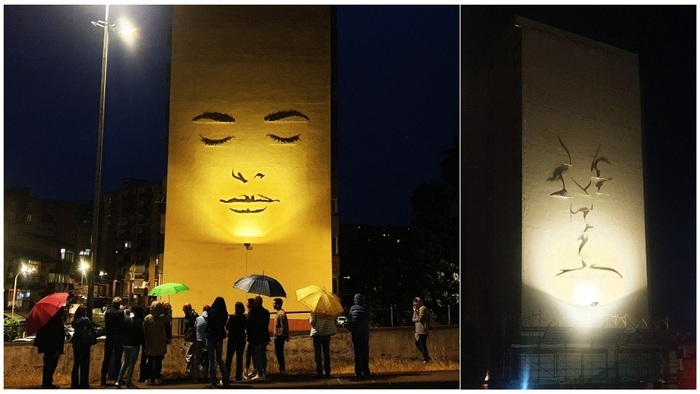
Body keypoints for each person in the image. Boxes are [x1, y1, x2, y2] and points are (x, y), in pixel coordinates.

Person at [33, 306, 67, 389]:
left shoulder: (47, 321)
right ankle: (48, 382)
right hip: (53, 347)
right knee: (51, 365)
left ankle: (46, 382)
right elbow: (59, 337)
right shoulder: (57, 322)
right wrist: (58, 349)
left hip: (48, 347)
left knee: (47, 364)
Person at [116, 305, 145, 389]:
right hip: (134, 345)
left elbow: (123, 330)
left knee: (125, 363)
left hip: (126, 344)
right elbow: (141, 334)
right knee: (131, 364)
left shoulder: (127, 319)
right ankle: (128, 383)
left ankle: (118, 381)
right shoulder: (140, 321)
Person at [206, 296, 231, 388]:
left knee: (211, 360)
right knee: (220, 359)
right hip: (219, 336)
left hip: (211, 336)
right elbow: (224, 324)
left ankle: (213, 382)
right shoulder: (224, 313)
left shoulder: (211, 312)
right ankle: (226, 380)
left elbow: (208, 324)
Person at [101, 296, 125, 386]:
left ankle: (103, 378)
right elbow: (123, 325)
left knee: (106, 358)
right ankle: (117, 379)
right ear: (119, 304)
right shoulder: (120, 313)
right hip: (118, 338)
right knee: (117, 359)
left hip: (109, 337)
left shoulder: (107, 313)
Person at [143, 301, 168, 385]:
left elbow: (144, 331)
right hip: (160, 343)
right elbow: (169, 318)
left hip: (150, 342)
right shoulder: (162, 318)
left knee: (149, 361)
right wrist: (168, 310)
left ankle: (149, 378)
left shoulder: (147, 318)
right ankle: (157, 377)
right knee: (158, 361)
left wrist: (146, 340)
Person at [246, 295, 271, 381]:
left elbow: (249, 324)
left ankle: (259, 373)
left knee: (257, 356)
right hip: (264, 335)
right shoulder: (266, 312)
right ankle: (263, 371)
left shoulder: (253, 312)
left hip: (256, 337)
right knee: (263, 355)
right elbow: (266, 323)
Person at [347, 293, 371, 377]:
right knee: (365, 351)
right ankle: (366, 370)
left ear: (354, 300)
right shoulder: (365, 309)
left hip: (355, 332)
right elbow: (368, 319)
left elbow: (349, 320)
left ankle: (358, 371)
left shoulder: (352, 309)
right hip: (364, 332)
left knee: (357, 352)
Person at [70, 305, 94, 388]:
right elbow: (92, 329)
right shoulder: (86, 320)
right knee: (84, 363)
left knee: (76, 363)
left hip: (76, 343)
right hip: (84, 343)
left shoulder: (74, 321)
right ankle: (84, 383)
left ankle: (74, 383)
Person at [309, 311, 336, 378]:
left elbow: (312, 322)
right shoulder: (329, 309)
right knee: (326, 353)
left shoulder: (314, 310)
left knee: (318, 353)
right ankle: (327, 371)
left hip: (317, 333)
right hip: (327, 333)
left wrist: (309, 319)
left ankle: (319, 371)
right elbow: (333, 320)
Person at [225, 301, 247, 382]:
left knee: (229, 358)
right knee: (239, 358)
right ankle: (238, 377)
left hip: (232, 339)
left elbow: (228, 327)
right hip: (241, 338)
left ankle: (226, 375)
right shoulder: (244, 318)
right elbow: (245, 327)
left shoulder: (232, 317)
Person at [192, 305, 210, 383]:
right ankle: (205, 377)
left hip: (198, 340)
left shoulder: (198, 319)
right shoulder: (210, 319)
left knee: (197, 360)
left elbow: (195, 328)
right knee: (206, 360)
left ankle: (196, 378)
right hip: (207, 341)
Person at [272, 297, 289, 374]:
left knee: (279, 352)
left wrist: (283, 334)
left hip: (279, 336)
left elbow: (283, 325)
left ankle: (282, 368)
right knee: (278, 352)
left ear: (278, 305)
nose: (273, 305)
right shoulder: (279, 312)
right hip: (278, 336)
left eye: (274, 303)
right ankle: (281, 368)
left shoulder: (281, 314)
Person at [412, 297, 431, 363]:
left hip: (423, 329)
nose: (415, 306)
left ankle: (426, 358)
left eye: (416, 304)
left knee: (422, 344)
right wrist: (415, 313)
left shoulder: (423, 309)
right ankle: (426, 356)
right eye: (414, 305)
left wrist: (415, 313)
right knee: (417, 343)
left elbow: (420, 319)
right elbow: (413, 319)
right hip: (417, 329)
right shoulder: (417, 310)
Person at [182, 303, 199, 377]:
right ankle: (190, 371)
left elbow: (192, 326)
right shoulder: (189, 315)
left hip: (192, 337)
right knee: (190, 355)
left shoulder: (194, 316)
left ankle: (189, 372)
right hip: (190, 337)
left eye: (184, 309)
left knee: (189, 355)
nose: (183, 311)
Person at [243, 298, 256, 379]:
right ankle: (254, 369)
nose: (246, 304)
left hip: (251, 336)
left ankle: (246, 370)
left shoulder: (251, 313)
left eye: (247, 303)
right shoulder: (251, 313)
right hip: (252, 336)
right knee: (253, 354)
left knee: (249, 353)